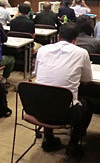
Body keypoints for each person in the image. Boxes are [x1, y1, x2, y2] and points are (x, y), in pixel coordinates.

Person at [35, 23, 93, 156]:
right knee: (88, 105)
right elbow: (87, 79)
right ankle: (73, 144)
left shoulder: (43, 50)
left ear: (58, 37)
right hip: (65, 112)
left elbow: (37, 73)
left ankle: (48, 138)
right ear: (75, 40)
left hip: (37, 107)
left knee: (48, 93)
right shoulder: (81, 53)